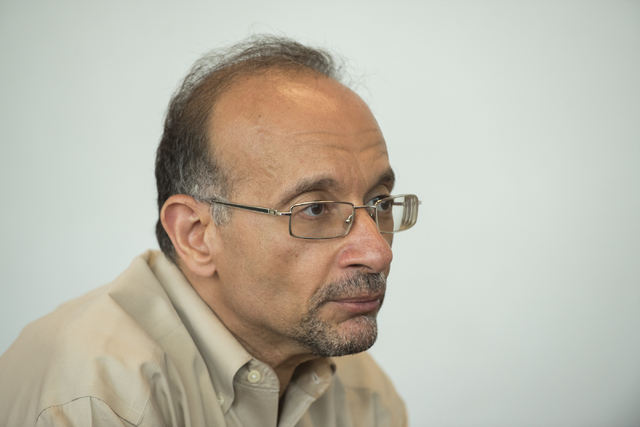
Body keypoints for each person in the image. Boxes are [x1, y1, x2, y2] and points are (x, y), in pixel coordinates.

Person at [0, 35, 420, 426]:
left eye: (380, 203)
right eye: (314, 209)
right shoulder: (99, 398)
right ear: (195, 235)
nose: (378, 252)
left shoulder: (359, 387)